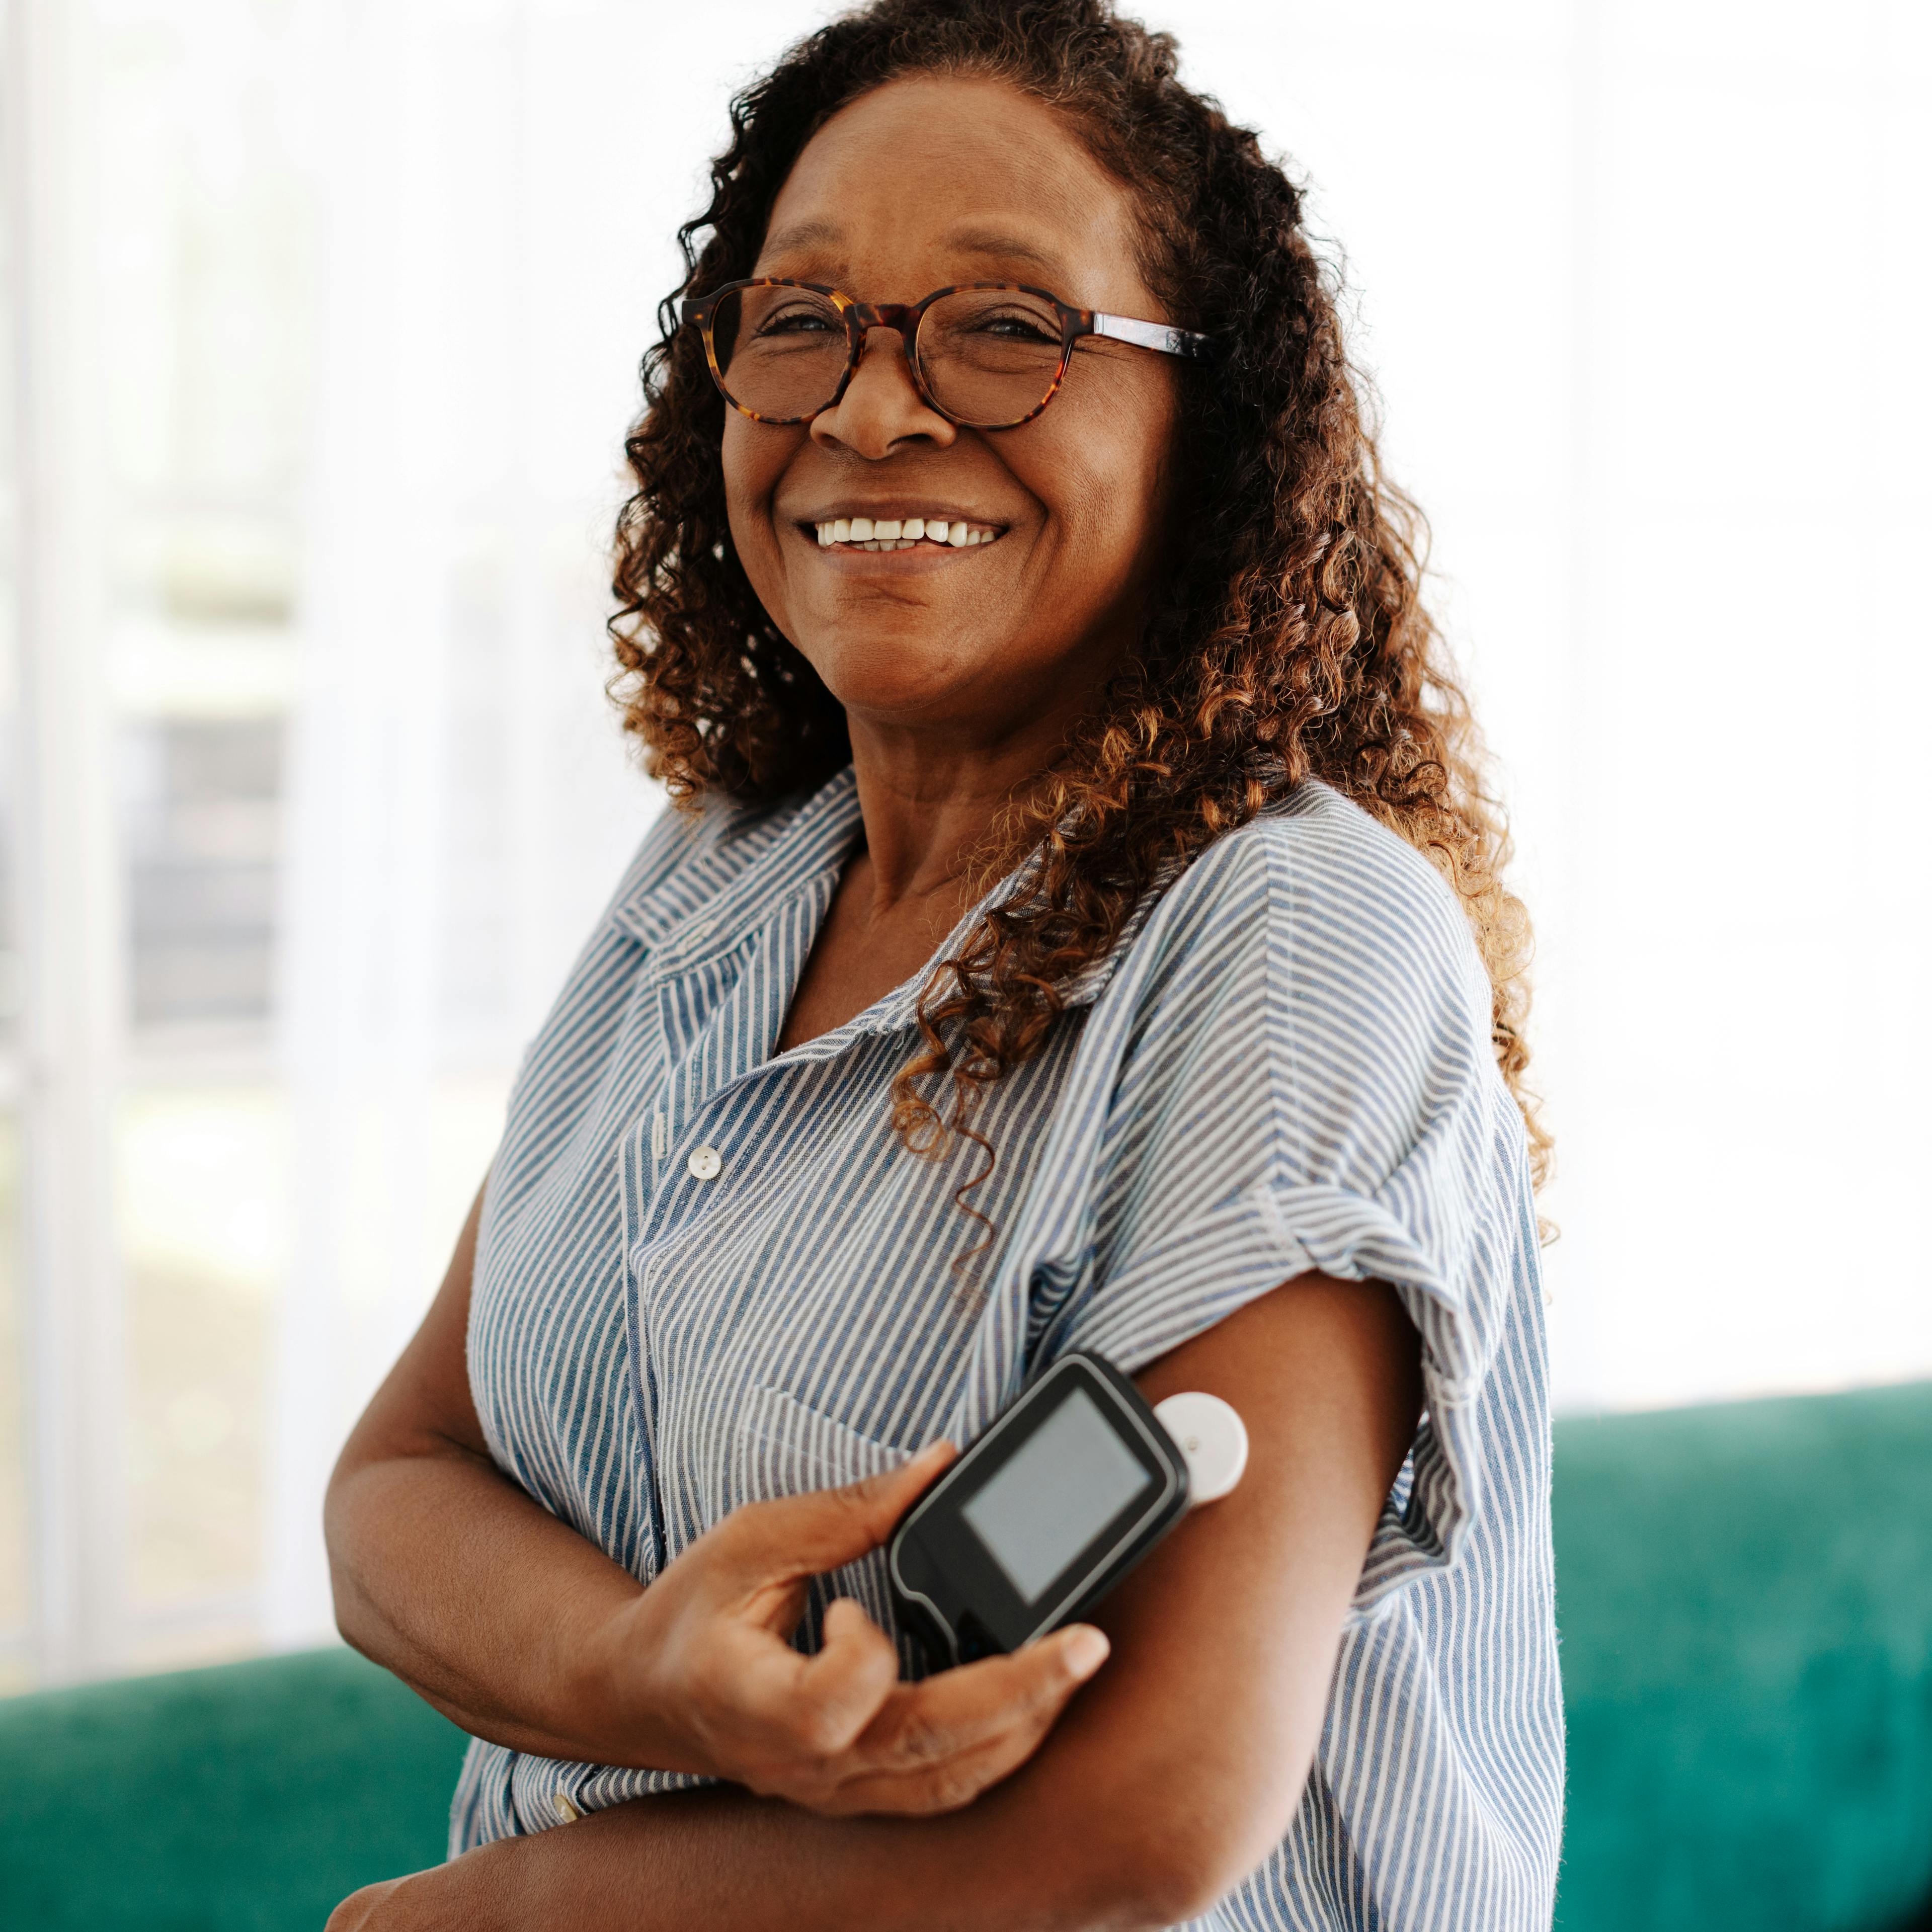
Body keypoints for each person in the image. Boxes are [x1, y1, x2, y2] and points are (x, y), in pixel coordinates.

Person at [323, 2, 1563, 1925]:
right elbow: (399, 1483)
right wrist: (650, 1672)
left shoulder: (1293, 937)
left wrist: (475, 1915)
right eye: (801, 319)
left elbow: (1146, 1812)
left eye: (1007, 329)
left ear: (1204, 418)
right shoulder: (716, 877)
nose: (873, 409)